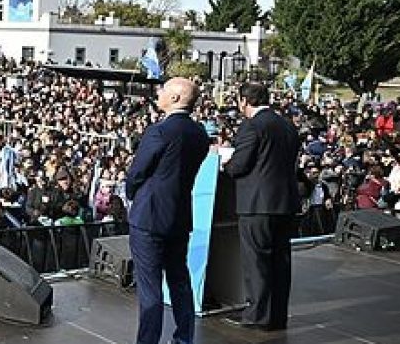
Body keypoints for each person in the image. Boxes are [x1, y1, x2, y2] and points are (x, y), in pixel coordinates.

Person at [124, 77, 209, 344]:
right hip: (179, 216)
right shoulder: (200, 134)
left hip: (149, 217)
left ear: (174, 98)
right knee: (179, 281)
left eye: (163, 89)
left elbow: (137, 172)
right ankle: (184, 339)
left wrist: (130, 194)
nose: (158, 93)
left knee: (150, 289)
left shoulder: (159, 131)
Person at [222, 83, 301, 331]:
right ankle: (277, 315)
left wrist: (226, 163)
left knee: (257, 261)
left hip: (257, 205)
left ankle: (257, 314)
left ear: (245, 101)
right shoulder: (287, 125)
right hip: (285, 203)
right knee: (281, 261)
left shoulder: (252, 126)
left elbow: (239, 166)